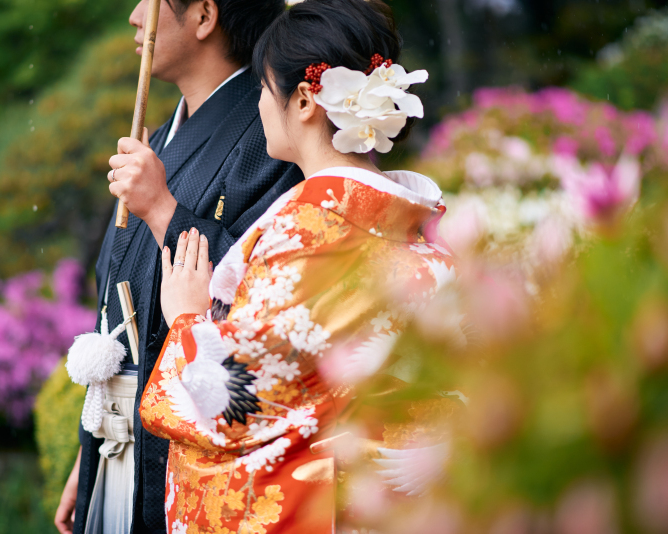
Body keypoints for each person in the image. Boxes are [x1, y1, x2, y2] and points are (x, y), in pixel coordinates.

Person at [139, 0, 459, 532]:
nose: (261, 105)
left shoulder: (310, 234)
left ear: (306, 100)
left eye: (264, 90)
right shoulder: (407, 223)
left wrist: (187, 321)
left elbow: (237, 400)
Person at [53, 1, 303, 533]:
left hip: (185, 440)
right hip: (119, 434)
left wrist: (164, 209)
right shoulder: (163, 135)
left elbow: (263, 288)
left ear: (205, 15)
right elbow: (117, 303)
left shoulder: (268, 132)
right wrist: (92, 445)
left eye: (151, 1)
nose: (135, 17)